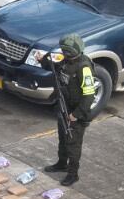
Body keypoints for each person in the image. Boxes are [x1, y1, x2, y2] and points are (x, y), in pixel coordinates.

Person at [41, 34, 101, 186]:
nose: (65, 54)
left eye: (67, 52)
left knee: (73, 144)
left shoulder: (84, 67)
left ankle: (73, 174)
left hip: (76, 112)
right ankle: (62, 163)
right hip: (64, 107)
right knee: (63, 138)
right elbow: (54, 69)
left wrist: (76, 114)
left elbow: (89, 95)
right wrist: (42, 60)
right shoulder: (66, 61)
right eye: (64, 51)